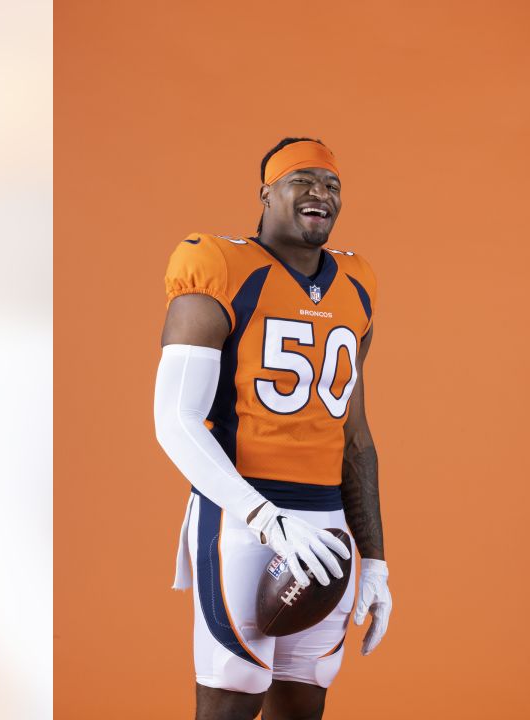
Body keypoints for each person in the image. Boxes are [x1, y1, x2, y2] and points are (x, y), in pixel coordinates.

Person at [153, 137, 393, 720]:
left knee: (305, 696)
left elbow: (354, 437)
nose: (321, 193)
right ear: (266, 192)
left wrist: (377, 561)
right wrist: (265, 517)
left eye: (332, 184)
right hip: (243, 518)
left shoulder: (356, 283)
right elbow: (175, 421)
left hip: (326, 526)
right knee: (232, 695)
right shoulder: (220, 266)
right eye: (302, 180)